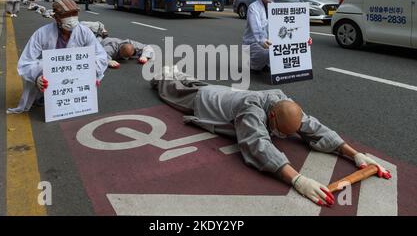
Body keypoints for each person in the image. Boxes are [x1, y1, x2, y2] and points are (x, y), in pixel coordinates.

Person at [150, 68, 392, 207]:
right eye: (279, 130)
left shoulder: (284, 102)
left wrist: (356, 155)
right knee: (168, 89)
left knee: (194, 82)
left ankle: (178, 72)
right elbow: (257, 146)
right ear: (272, 115)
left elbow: (316, 128)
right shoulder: (251, 110)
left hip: (223, 94)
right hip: (202, 101)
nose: (282, 136)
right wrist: (298, 180)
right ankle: (162, 73)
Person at [7, 0, 108, 114]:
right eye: (66, 15)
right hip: (49, 76)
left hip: (76, 76)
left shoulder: (85, 32)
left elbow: (100, 56)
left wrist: (92, 74)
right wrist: (36, 78)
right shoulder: (42, 33)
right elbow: (25, 62)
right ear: (56, 17)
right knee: (40, 66)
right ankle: (40, 96)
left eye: (74, 13)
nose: (71, 18)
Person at [242, 0, 277, 72]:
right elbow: (256, 28)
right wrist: (262, 41)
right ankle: (253, 66)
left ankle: (265, 63)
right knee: (266, 51)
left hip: (269, 40)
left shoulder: (276, 7)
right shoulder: (253, 7)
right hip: (253, 42)